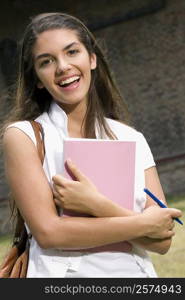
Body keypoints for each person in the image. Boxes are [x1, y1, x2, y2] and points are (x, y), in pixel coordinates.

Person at [1, 12, 182, 278]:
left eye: (72, 52)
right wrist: (142, 224)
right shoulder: (23, 136)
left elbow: (162, 242)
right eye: (46, 61)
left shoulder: (132, 137)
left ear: (92, 58)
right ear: (38, 79)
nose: (62, 66)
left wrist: (96, 205)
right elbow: (50, 233)